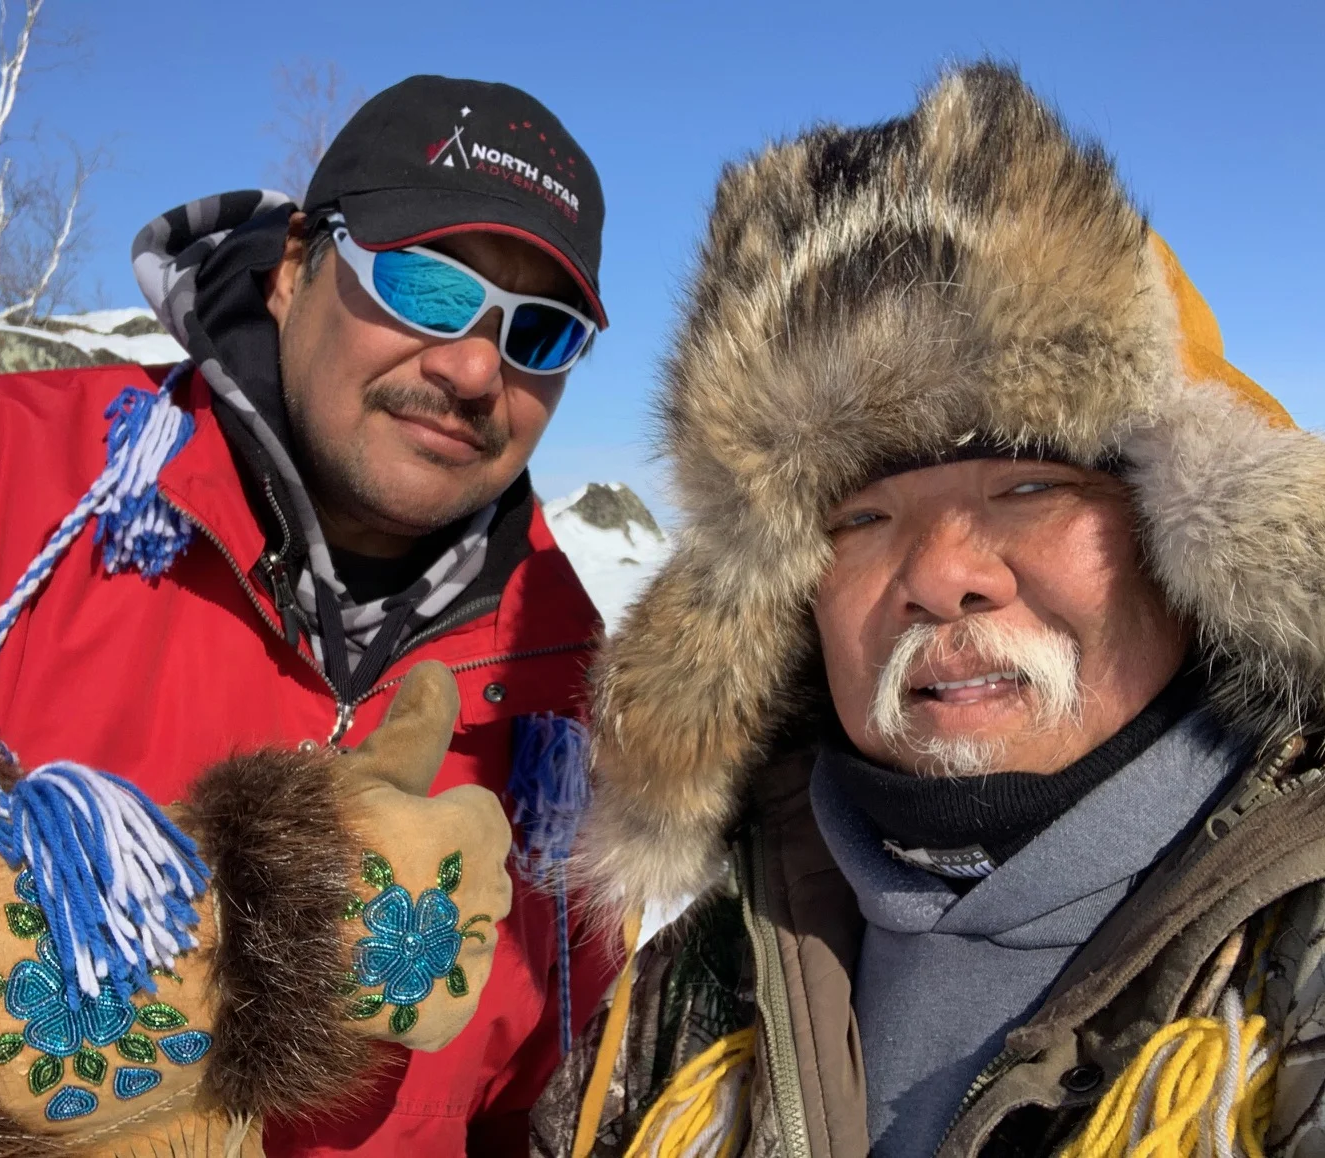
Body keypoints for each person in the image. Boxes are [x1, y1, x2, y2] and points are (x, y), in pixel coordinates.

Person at [0, 75, 618, 1157]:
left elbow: (520, 1090)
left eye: (537, 333)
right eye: (425, 284)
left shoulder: (570, 689)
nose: (471, 366)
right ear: (292, 267)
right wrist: (230, 942)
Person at [533, 63, 1325, 1157]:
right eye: (857, 519)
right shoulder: (704, 981)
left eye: (1029, 486)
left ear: (1179, 536)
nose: (942, 573)